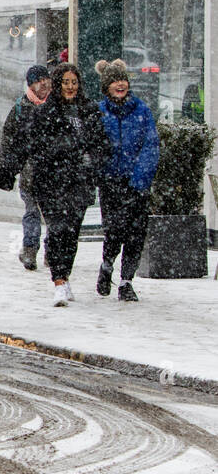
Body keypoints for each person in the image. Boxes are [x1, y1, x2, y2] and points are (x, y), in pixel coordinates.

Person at [0, 63, 111, 307]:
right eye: (65, 82)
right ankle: (58, 280)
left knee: (71, 233)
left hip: (79, 182)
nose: (70, 87)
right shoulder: (44, 113)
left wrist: (94, 163)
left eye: (74, 82)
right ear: (58, 85)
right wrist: (7, 170)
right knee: (57, 230)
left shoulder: (88, 111)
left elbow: (101, 145)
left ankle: (65, 274)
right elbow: (23, 144)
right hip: (50, 182)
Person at [95, 58, 160, 302]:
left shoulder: (142, 111)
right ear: (106, 86)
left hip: (136, 184)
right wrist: (102, 171)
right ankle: (107, 265)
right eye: (114, 81)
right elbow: (95, 147)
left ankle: (126, 281)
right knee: (114, 230)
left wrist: (140, 179)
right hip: (111, 181)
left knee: (135, 233)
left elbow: (150, 146)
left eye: (122, 80)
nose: (119, 84)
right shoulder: (99, 112)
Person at [0, 64, 52, 271]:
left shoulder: (56, 105)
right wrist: (4, 169)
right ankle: (30, 249)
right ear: (31, 85)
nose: (44, 84)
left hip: (55, 171)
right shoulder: (21, 107)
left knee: (53, 215)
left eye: (46, 79)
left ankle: (51, 252)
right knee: (32, 212)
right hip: (30, 171)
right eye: (39, 81)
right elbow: (8, 140)